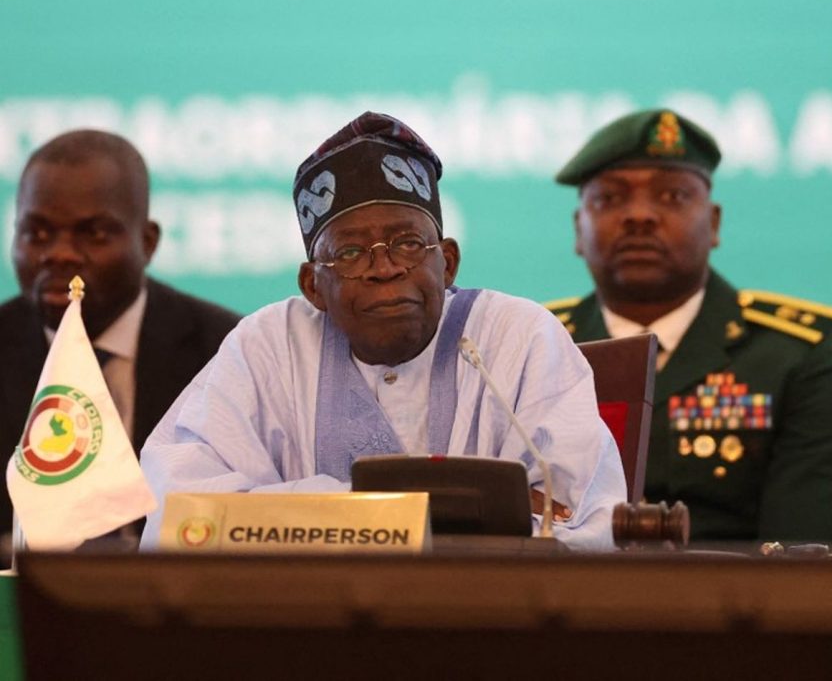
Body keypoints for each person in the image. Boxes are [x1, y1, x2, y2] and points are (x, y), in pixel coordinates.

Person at [140, 112, 626, 550]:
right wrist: (418, 511)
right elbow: (184, 512)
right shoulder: (267, 346)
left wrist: (290, 511)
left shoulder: (519, 337)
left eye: (408, 243)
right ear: (313, 286)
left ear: (448, 263)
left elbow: (579, 521)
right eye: (351, 253)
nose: (384, 268)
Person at [547, 109, 832, 546]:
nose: (640, 215)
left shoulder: (800, 357)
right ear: (578, 229)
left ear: (713, 223)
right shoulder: (538, 348)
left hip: (737, 590)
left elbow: (808, 551)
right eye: (610, 198)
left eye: (673, 196)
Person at [0, 129, 242, 538]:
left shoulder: (223, 351)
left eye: (92, 233)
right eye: (37, 233)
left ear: (147, 242)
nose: (58, 253)